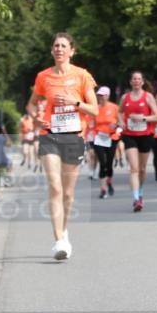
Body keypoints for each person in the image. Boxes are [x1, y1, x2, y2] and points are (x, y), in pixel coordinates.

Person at [26, 32, 98, 260]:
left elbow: (94, 110)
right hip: (49, 136)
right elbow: (31, 105)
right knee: (55, 187)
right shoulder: (43, 77)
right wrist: (36, 118)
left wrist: (74, 102)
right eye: (56, 46)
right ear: (52, 50)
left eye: (63, 46)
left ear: (72, 51)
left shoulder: (82, 76)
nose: (59, 49)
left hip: (74, 137)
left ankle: (64, 230)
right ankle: (58, 241)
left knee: (68, 194)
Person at [119, 72, 157, 211]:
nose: (136, 81)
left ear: (142, 82)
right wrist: (121, 122)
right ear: (131, 82)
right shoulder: (125, 97)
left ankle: (140, 192)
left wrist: (142, 118)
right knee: (134, 168)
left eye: (138, 79)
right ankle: (136, 199)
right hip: (129, 135)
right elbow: (120, 112)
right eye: (134, 79)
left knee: (142, 169)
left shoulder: (148, 97)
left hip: (145, 135)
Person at [93, 86, 119, 198]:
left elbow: (121, 123)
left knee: (109, 163)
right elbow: (90, 124)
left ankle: (109, 181)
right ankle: (102, 189)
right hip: (98, 138)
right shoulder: (94, 109)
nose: (100, 97)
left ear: (107, 96)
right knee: (102, 163)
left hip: (112, 138)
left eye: (102, 95)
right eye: (99, 95)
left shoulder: (114, 108)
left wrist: (117, 126)